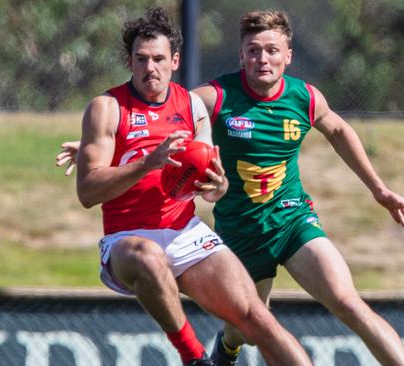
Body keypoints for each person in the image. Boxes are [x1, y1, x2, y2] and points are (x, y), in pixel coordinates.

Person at [58, 8, 404, 366]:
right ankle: (217, 352)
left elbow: (338, 131)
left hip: (291, 221)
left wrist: (379, 190)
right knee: (244, 328)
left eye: (272, 50)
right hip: (240, 230)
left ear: (288, 55)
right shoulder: (212, 97)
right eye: (253, 50)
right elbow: (150, 116)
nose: (263, 59)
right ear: (241, 55)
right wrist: (101, 144)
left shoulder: (304, 98)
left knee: (342, 303)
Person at [69, 7, 312, 366]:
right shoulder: (106, 108)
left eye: (158, 59)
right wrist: (146, 163)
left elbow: (210, 189)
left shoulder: (192, 105)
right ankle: (194, 357)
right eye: (141, 59)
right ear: (129, 61)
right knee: (148, 257)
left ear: (175, 60)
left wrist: (218, 183)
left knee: (258, 320)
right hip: (127, 238)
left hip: (184, 231)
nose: (150, 68)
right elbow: (87, 191)